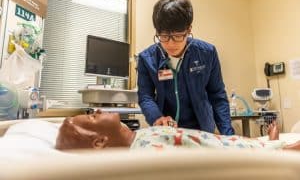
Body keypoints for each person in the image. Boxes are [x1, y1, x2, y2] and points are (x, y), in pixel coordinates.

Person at [137, 0, 234, 135]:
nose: (170, 44)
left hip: (202, 129)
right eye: (163, 36)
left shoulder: (207, 53)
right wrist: (157, 118)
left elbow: (217, 95)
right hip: (166, 131)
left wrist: (228, 135)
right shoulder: (147, 59)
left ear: (189, 30)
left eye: (177, 36)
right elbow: (146, 96)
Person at [55, 112, 300, 151]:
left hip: (216, 138)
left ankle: (268, 141)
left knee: (231, 138)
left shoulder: (141, 135)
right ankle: (273, 145)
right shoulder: (143, 153)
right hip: (232, 152)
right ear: (99, 142)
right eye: (92, 116)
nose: (96, 109)